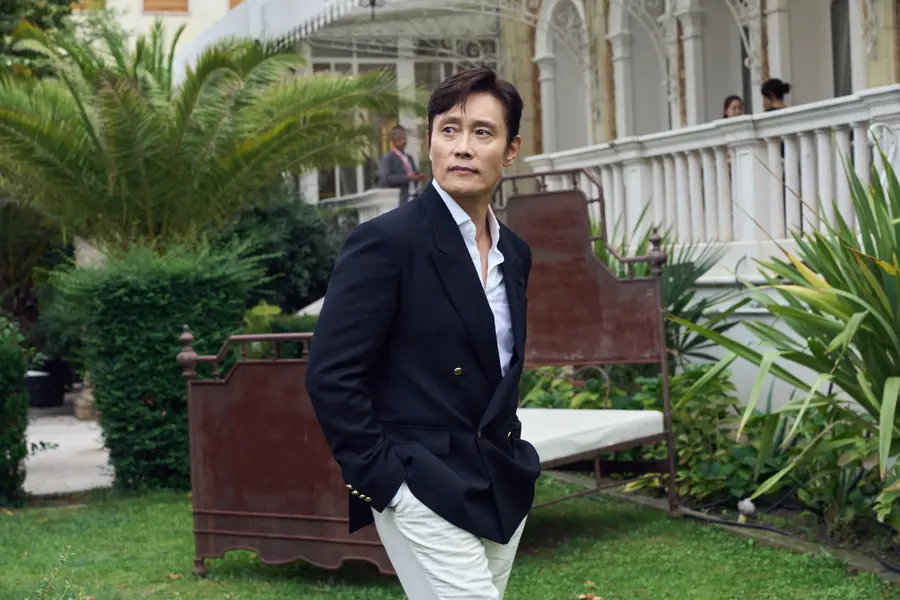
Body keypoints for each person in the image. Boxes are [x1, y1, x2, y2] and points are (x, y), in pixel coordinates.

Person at [305, 67, 541, 599]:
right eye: (449, 129)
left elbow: (500, 366)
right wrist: (387, 484)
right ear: (430, 141)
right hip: (419, 480)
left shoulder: (515, 253)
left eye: (483, 132)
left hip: (499, 477)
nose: (463, 147)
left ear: (510, 150)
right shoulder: (386, 242)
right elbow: (331, 376)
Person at [378, 125, 428, 205]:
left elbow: (414, 173)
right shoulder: (388, 158)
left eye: (404, 138)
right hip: (400, 200)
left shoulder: (409, 158)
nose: (403, 141)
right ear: (393, 140)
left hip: (415, 197)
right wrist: (407, 178)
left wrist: (418, 176)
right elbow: (386, 179)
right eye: (399, 139)